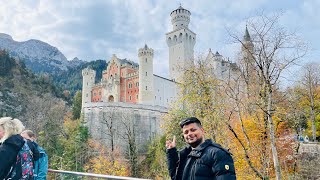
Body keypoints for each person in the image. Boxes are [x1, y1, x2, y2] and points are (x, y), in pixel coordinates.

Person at [166, 117, 236, 180]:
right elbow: (175, 177)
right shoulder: (186, 156)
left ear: (202, 131)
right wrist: (171, 152)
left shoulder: (217, 153)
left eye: (193, 130)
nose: (189, 134)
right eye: (186, 132)